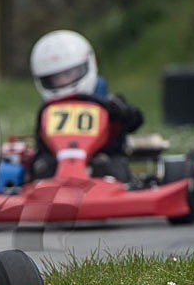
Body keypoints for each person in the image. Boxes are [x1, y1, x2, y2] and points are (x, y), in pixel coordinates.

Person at [28, 29, 144, 182]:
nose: (63, 82)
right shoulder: (47, 111)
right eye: (55, 78)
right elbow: (41, 145)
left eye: (69, 74)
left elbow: (137, 119)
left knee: (115, 168)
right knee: (42, 167)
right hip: (58, 165)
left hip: (104, 159)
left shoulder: (108, 102)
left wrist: (120, 112)